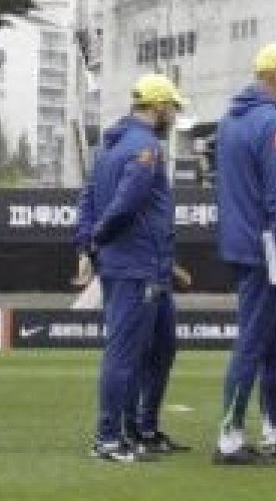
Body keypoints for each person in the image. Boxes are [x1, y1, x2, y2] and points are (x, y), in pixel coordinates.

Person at [75, 73, 188, 463]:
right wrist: (95, 241)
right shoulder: (146, 148)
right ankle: (109, 438)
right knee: (125, 353)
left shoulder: (111, 146)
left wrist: (88, 244)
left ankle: (140, 430)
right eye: (173, 107)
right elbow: (126, 204)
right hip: (135, 266)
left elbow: (89, 198)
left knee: (160, 347)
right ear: (157, 107)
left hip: (146, 264)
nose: (174, 115)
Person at [214, 44, 276, 466]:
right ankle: (229, 439)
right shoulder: (274, 122)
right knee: (255, 343)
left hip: (243, 241)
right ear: (275, 75)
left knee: (275, 341)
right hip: (267, 248)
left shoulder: (229, 121)